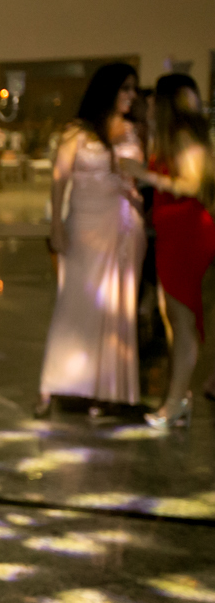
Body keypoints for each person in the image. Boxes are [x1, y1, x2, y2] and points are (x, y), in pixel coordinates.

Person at [37, 63, 146, 418]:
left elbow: (139, 180)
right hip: (84, 225)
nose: (131, 95)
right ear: (108, 90)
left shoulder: (132, 130)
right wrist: (56, 224)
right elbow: (59, 179)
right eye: (125, 88)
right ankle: (54, 385)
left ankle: (106, 389)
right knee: (75, 303)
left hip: (123, 226)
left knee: (116, 307)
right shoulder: (77, 132)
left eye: (133, 89)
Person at [123, 73, 215, 427]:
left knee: (182, 319)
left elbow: (191, 185)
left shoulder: (183, 136)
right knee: (173, 316)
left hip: (188, 234)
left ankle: (175, 403)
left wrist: (143, 174)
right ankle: (180, 398)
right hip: (173, 233)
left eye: (152, 99)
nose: (146, 103)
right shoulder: (168, 138)